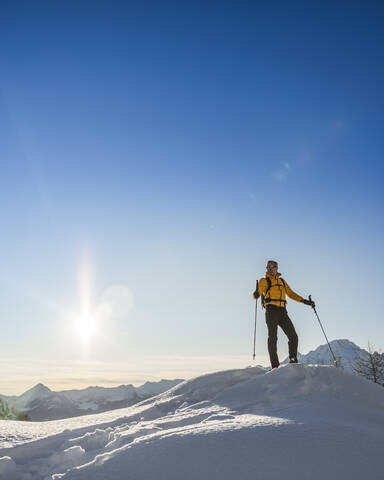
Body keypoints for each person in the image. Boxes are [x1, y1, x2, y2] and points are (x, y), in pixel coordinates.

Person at [253, 260, 314, 369]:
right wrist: (257, 293)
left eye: (272, 267)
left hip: (282, 311)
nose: (270, 269)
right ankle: (275, 367)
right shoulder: (264, 280)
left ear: (277, 268)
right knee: (273, 338)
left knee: (293, 336)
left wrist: (305, 301)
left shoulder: (282, 281)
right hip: (271, 310)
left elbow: (290, 293)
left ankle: (293, 360)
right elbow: (261, 289)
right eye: (268, 267)